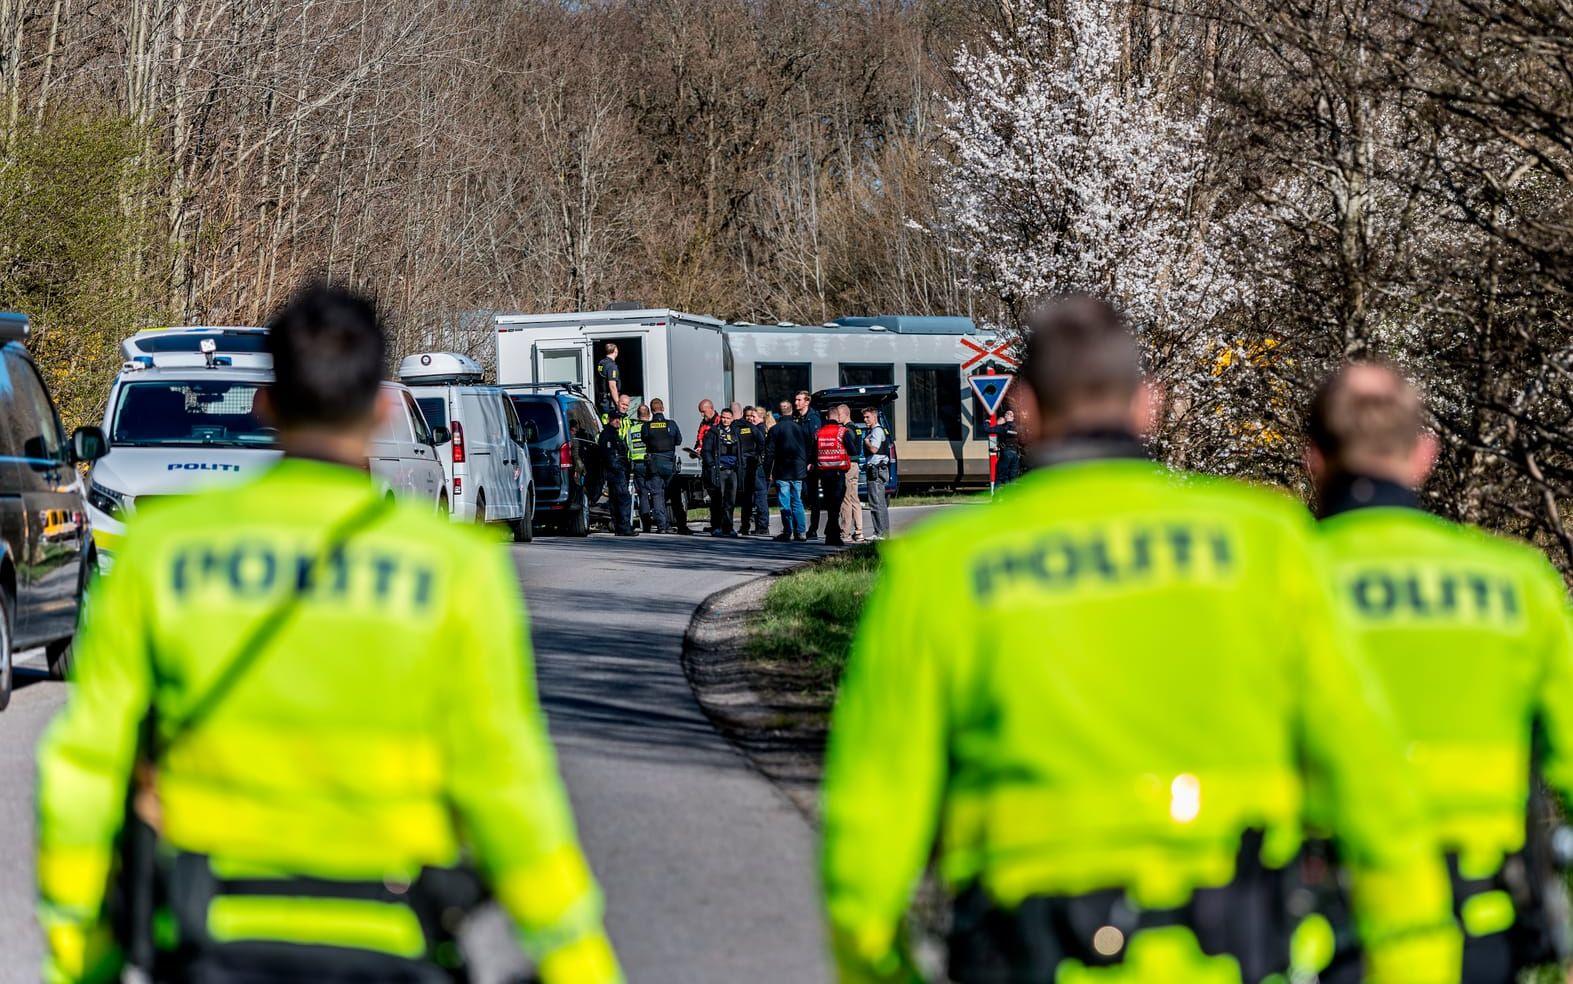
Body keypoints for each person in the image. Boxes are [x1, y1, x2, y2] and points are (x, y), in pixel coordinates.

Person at [819, 296, 1459, 984]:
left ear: (1023, 408)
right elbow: (1366, 770)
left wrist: (881, 967)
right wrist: (1413, 954)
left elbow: (869, 823)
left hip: (1024, 954)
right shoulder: (1264, 539)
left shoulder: (940, 566)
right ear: (1147, 405)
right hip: (1231, 951)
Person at [34, 283, 621, 984]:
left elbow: (86, 767)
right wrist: (575, 959)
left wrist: (81, 953)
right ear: (380, 408)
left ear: (267, 403)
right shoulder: (456, 569)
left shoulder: (162, 555)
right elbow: (507, 781)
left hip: (210, 930)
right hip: (390, 933)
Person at [1303, 362, 1573, 983]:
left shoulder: (1278, 579)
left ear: (1315, 458)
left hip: (1324, 933)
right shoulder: (1518, 582)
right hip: (1483, 928)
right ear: (1426, 454)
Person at [766, 403, 809, 542]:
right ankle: (801, 532)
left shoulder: (775, 429)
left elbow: (770, 452)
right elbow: (808, 448)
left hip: (782, 470)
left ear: (779, 414)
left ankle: (788, 531)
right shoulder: (800, 428)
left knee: (785, 502)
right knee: (797, 501)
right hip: (798, 470)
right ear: (791, 412)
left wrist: (768, 470)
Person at [641, 397, 682, 534]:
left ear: (652, 411)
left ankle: (662, 526)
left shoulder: (646, 426)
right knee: (674, 495)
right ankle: (681, 525)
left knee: (657, 495)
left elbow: (644, 440)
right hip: (669, 463)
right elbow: (678, 441)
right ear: (663, 409)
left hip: (654, 464)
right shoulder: (671, 424)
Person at [813, 407, 852, 547]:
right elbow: (853, 450)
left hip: (824, 474)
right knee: (835, 506)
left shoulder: (819, 433)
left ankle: (830, 533)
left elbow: (814, 453)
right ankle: (832, 535)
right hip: (838, 473)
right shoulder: (843, 432)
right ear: (837, 416)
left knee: (830, 505)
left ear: (827, 417)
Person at [701, 407, 741, 537]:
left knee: (730, 501)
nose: (725, 420)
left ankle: (728, 527)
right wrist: (712, 465)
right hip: (719, 471)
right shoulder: (714, 432)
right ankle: (716, 526)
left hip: (733, 471)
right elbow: (705, 451)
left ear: (732, 419)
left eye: (728, 418)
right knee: (717, 500)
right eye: (723, 417)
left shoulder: (736, 432)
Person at [598, 405, 636, 536]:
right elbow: (609, 456)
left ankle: (619, 527)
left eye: (618, 419)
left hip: (617, 472)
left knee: (615, 500)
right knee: (623, 499)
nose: (617, 421)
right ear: (609, 419)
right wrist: (618, 469)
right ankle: (624, 527)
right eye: (615, 419)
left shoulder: (614, 434)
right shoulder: (608, 435)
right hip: (616, 473)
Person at [792, 391, 825, 539]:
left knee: (812, 497)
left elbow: (815, 442)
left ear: (807, 402)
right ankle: (799, 528)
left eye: (799, 400)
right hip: (799, 461)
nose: (796, 403)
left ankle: (813, 528)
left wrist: (812, 461)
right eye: (796, 400)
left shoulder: (813, 418)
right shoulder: (797, 417)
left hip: (809, 463)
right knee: (800, 495)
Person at [617, 399, 651, 530]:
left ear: (637, 415)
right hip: (651, 464)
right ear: (649, 415)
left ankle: (646, 524)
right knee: (656, 493)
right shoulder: (651, 427)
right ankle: (660, 522)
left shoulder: (631, 430)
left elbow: (628, 448)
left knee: (642, 494)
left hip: (637, 464)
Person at [834, 405, 865, 543]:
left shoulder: (847, 430)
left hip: (848, 465)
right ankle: (859, 531)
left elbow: (850, 448)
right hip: (856, 465)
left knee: (846, 499)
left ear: (846, 414)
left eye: (839, 414)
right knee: (854, 498)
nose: (837, 417)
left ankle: (845, 532)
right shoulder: (857, 428)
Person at [737, 407, 770, 536]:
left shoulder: (760, 428)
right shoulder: (742, 428)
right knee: (747, 496)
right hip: (745, 465)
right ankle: (745, 525)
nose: (750, 418)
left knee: (760, 494)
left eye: (752, 416)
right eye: (747, 416)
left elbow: (762, 444)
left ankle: (762, 526)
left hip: (756, 465)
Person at [861, 406, 891, 541]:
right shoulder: (875, 430)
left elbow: (874, 449)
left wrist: (866, 441)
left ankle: (879, 533)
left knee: (876, 503)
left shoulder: (876, 432)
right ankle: (883, 532)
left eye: (867, 417)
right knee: (881, 503)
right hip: (878, 469)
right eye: (864, 417)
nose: (865, 419)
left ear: (875, 416)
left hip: (876, 470)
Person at [691, 399, 720, 532]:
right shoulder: (703, 424)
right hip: (706, 463)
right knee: (712, 495)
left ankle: (719, 524)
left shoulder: (719, 422)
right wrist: (696, 449)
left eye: (703, 412)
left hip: (716, 464)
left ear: (711, 408)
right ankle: (715, 523)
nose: (702, 415)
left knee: (718, 495)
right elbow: (699, 441)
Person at [991, 407, 1023, 486]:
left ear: (1005, 417)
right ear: (1013, 417)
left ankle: (996, 498)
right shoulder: (1018, 427)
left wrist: (989, 422)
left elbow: (989, 429)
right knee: (1012, 477)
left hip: (1005, 453)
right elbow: (1022, 441)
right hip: (1015, 453)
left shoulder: (1003, 427)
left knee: (1000, 476)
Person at [595, 342, 622, 419]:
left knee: (604, 419)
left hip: (601, 398)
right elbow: (612, 386)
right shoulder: (612, 366)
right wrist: (617, 403)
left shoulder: (601, 363)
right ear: (615, 351)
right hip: (609, 400)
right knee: (612, 420)